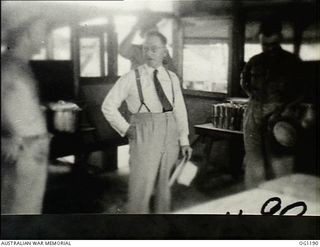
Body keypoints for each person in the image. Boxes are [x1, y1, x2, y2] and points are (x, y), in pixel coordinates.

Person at [102, 31, 192, 213]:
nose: (149, 53)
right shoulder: (131, 77)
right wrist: (125, 128)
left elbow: (179, 110)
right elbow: (108, 106)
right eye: (145, 49)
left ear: (164, 52)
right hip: (144, 132)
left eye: (154, 49)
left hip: (170, 133)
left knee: (165, 185)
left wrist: (184, 140)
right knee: (140, 187)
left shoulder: (172, 78)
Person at [240, 17, 304, 189]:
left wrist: (286, 109)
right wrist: (253, 98)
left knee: (280, 165)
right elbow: (244, 81)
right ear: (260, 40)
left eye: (272, 44)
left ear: (280, 38)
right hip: (253, 113)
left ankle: (280, 205)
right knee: (254, 161)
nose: (268, 49)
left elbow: (302, 92)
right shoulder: (255, 61)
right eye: (264, 45)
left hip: (279, 116)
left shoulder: (292, 62)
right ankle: (253, 203)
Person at [1, 13, 50, 214]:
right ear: (26, 33)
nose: (45, 37)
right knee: (17, 212)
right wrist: (6, 134)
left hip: (32, 148)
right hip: (20, 152)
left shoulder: (22, 65)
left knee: (29, 210)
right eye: (42, 31)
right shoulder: (8, 65)